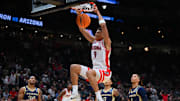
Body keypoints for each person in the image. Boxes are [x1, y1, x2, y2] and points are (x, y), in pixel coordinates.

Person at [70, 5, 112, 101]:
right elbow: (81, 29)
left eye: (99, 32)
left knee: (90, 72)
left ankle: (98, 97)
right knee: (73, 67)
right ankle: (75, 93)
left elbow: (103, 25)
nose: (96, 33)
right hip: (94, 73)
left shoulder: (107, 43)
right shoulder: (93, 41)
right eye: (96, 31)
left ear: (103, 34)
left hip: (105, 72)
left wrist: (97, 12)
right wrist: (80, 15)